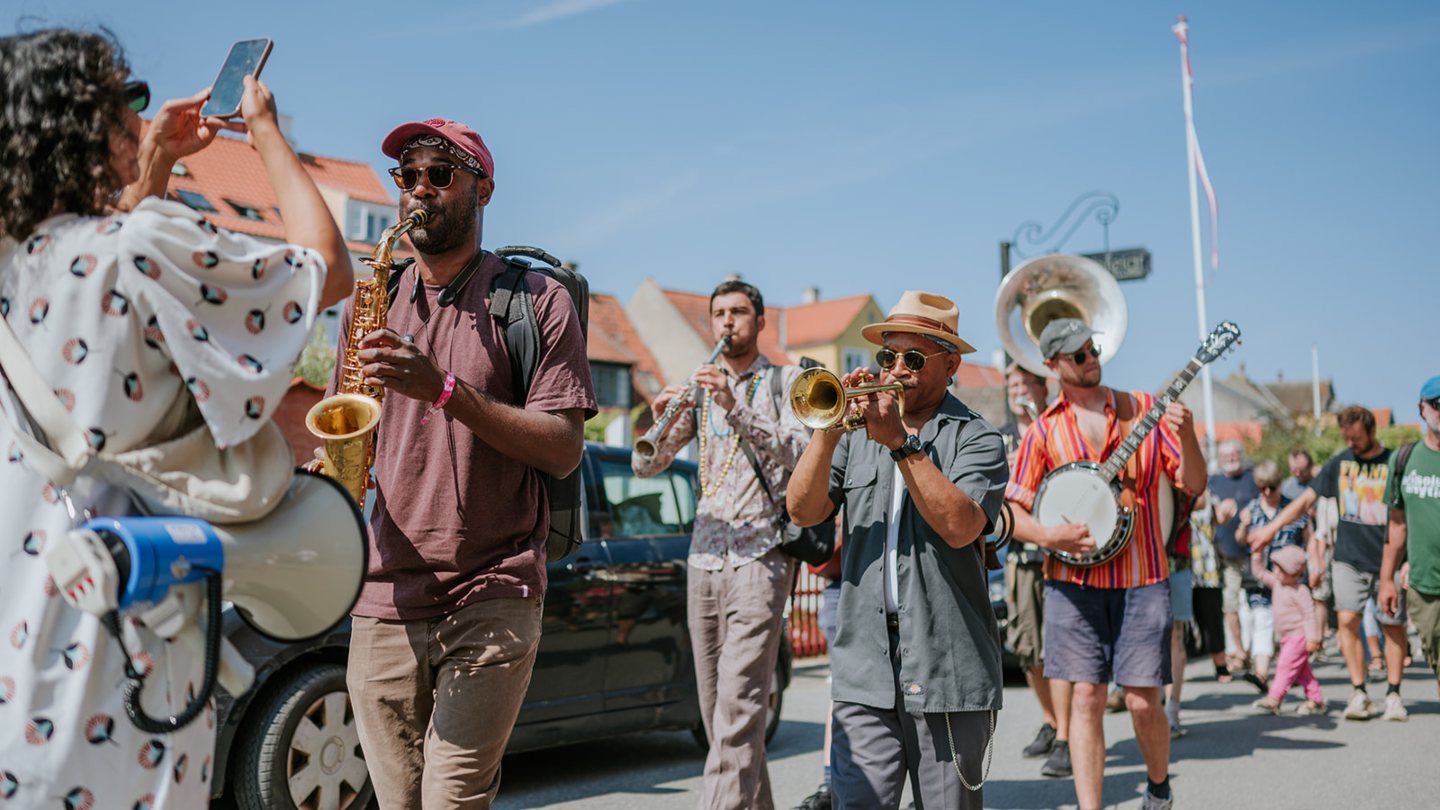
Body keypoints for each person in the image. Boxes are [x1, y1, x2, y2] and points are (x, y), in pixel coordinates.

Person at [0, 28, 352, 808]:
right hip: (115, 688)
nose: (141, 113)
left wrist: (153, 165)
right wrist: (263, 131)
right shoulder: (140, 245)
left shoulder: (19, 267)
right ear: (84, 125)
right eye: (124, 97)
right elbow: (324, 265)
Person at [333, 118, 596, 809]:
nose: (419, 190)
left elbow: (564, 450)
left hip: (491, 587)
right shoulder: (374, 303)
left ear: (483, 189)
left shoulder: (538, 300)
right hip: (383, 596)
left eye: (439, 175)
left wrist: (445, 390)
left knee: (452, 801)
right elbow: (345, 435)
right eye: (407, 176)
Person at [787, 291, 1007, 810]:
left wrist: (900, 443)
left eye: (913, 358)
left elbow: (960, 526)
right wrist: (827, 429)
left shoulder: (978, 438)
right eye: (888, 357)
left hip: (947, 661)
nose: (897, 369)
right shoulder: (857, 435)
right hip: (864, 659)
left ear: (950, 364)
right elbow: (802, 510)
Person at [1005, 318, 1206, 810]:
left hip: (1142, 578)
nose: (1090, 358)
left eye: (1092, 349)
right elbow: (1011, 509)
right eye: (1077, 355)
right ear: (1053, 366)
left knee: (1141, 700)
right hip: (1071, 584)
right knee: (1086, 698)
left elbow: (1194, 485)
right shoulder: (1045, 430)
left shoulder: (1142, 409)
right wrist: (1049, 533)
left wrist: (1192, 436)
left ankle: (1158, 788)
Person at [633, 279, 806, 810]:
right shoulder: (700, 386)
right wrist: (656, 414)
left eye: (738, 312)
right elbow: (645, 463)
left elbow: (800, 452)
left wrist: (734, 406)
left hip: (761, 555)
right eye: (718, 314)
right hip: (704, 557)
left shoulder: (786, 381)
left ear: (759, 320)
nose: (727, 322)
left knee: (739, 708)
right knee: (719, 714)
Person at [1249, 405, 1404, 721]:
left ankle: (1393, 693)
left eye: (1357, 438)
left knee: (1392, 624)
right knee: (1347, 620)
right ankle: (1359, 690)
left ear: (1372, 432)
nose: (1352, 444)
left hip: (1390, 556)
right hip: (1349, 557)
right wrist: (1270, 529)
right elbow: (1306, 501)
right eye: (1347, 437)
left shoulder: (1393, 463)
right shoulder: (1341, 462)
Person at [1001, 364, 1065, 765]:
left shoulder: (1058, 430)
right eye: (1012, 385)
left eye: (1026, 384)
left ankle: (1068, 734)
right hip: (1021, 554)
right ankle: (1051, 721)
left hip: (1060, 555)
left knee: (1063, 650)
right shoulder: (1001, 437)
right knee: (1028, 649)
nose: (1018, 391)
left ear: (1044, 389)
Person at [1380, 377, 1440, 700]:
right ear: (1422, 409)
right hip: (1425, 585)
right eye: (1437, 404)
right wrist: (1386, 578)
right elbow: (1397, 526)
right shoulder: (1404, 461)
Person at [1234, 460, 1316, 693]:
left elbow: (1308, 538)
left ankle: (1298, 676)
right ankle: (1261, 674)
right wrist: (1243, 526)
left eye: (1272, 487)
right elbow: (1241, 540)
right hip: (1261, 578)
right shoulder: (1253, 508)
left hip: (1289, 581)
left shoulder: (1293, 508)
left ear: (1280, 484)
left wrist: (1312, 565)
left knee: (1290, 631)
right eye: (1262, 488)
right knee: (1262, 621)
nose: (1267, 493)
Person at [1250, 545, 1326, 715]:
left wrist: (1313, 638)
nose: (1276, 571)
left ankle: (1274, 698)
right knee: (1302, 671)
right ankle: (1316, 698)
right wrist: (1256, 556)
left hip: (1298, 637)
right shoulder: (1277, 584)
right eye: (1276, 567)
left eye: (1282, 569)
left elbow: (1309, 615)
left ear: (1296, 574)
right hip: (1286, 637)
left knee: (1285, 666)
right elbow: (1260, 573)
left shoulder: (1301, 591)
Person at [1209, 439, 1260, 676]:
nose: (1231, 458)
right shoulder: (1214, 482)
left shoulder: (1254, 477)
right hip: (1227, 554)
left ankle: (1262, 651)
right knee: (1230, 604)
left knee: (1260, 605)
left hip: (1257, 551)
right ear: (1220, 458)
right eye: (1226, 455)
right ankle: (1240, 652)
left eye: (1235, 453)